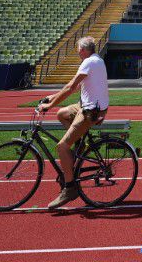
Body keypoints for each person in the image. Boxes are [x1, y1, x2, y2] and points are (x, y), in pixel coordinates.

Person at [36, 36, 109, 208]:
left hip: (90, 111)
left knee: (61, 146)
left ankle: (70, 188)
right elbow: (72, 85)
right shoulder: (95, 59)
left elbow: (71, 88)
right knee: (62, 114)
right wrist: (51, 97)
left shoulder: (89, 62)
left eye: (78, 49)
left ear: (83, 50)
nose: (77, 52)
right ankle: (79, 144)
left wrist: (49, 105)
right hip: (85, 105)